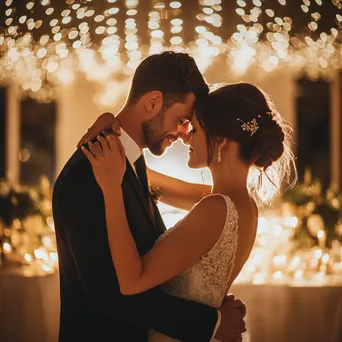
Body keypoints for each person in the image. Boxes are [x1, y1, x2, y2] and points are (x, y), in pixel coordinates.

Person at [52, 51, 246, 342]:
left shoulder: (132, 162)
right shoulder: (89, 171)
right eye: (182, 120)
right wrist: (209, 323)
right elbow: (108, 291)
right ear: (153, 102)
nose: (184, 135)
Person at [80, 82, 296, 342]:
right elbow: (145, 178)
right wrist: (113, 126)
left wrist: (111, 189)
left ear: (222, 139)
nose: (186, 138)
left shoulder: (215, 209)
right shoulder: (241, 203)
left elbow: (131, 281)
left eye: (195, 128)